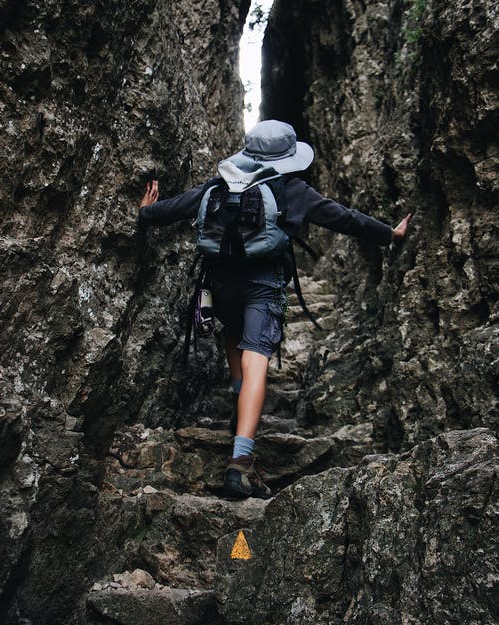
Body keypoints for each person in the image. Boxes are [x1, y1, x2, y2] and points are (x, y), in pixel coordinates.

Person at [138, 120, 411, 500]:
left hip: (220, 284)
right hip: (263, 284)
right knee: (257, 362)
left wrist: (147, 212)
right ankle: (240, 464)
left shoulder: (220, 184)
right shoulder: (293, 190)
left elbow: (179, 207)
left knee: (234, 337)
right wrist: (389, 233)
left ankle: (238, 413)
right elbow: (343, 217)